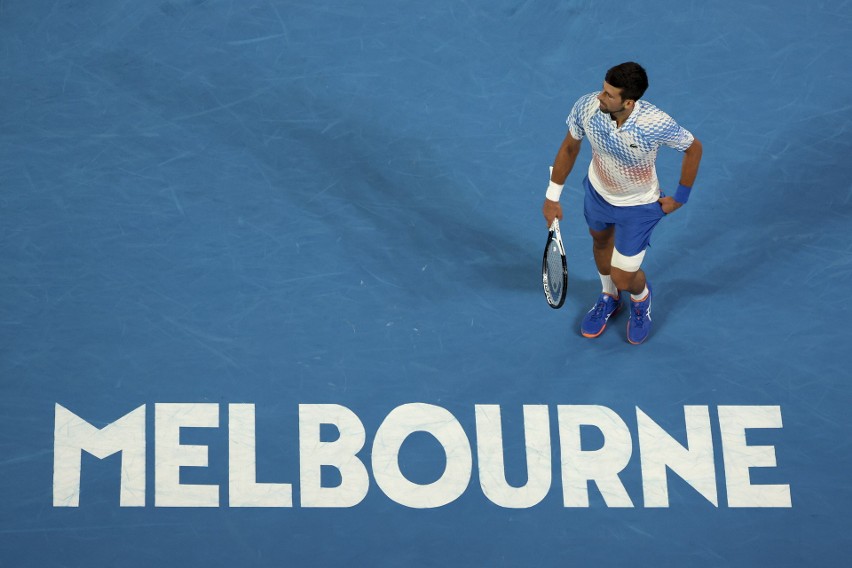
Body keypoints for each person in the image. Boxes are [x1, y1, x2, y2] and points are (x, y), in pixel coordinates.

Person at [542, 62, 703, 344]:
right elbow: (570, 146)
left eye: (608, 95)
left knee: (624, 277)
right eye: (603, 90)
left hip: (638, 207)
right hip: (597, 193)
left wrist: (680, 198)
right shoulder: (588, 107)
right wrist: (552, 196)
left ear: (628, 102)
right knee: (600, 242)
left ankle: (640, 298)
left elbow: (693, 148)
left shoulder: (653, 124)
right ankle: (610, 297)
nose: (599, 98)